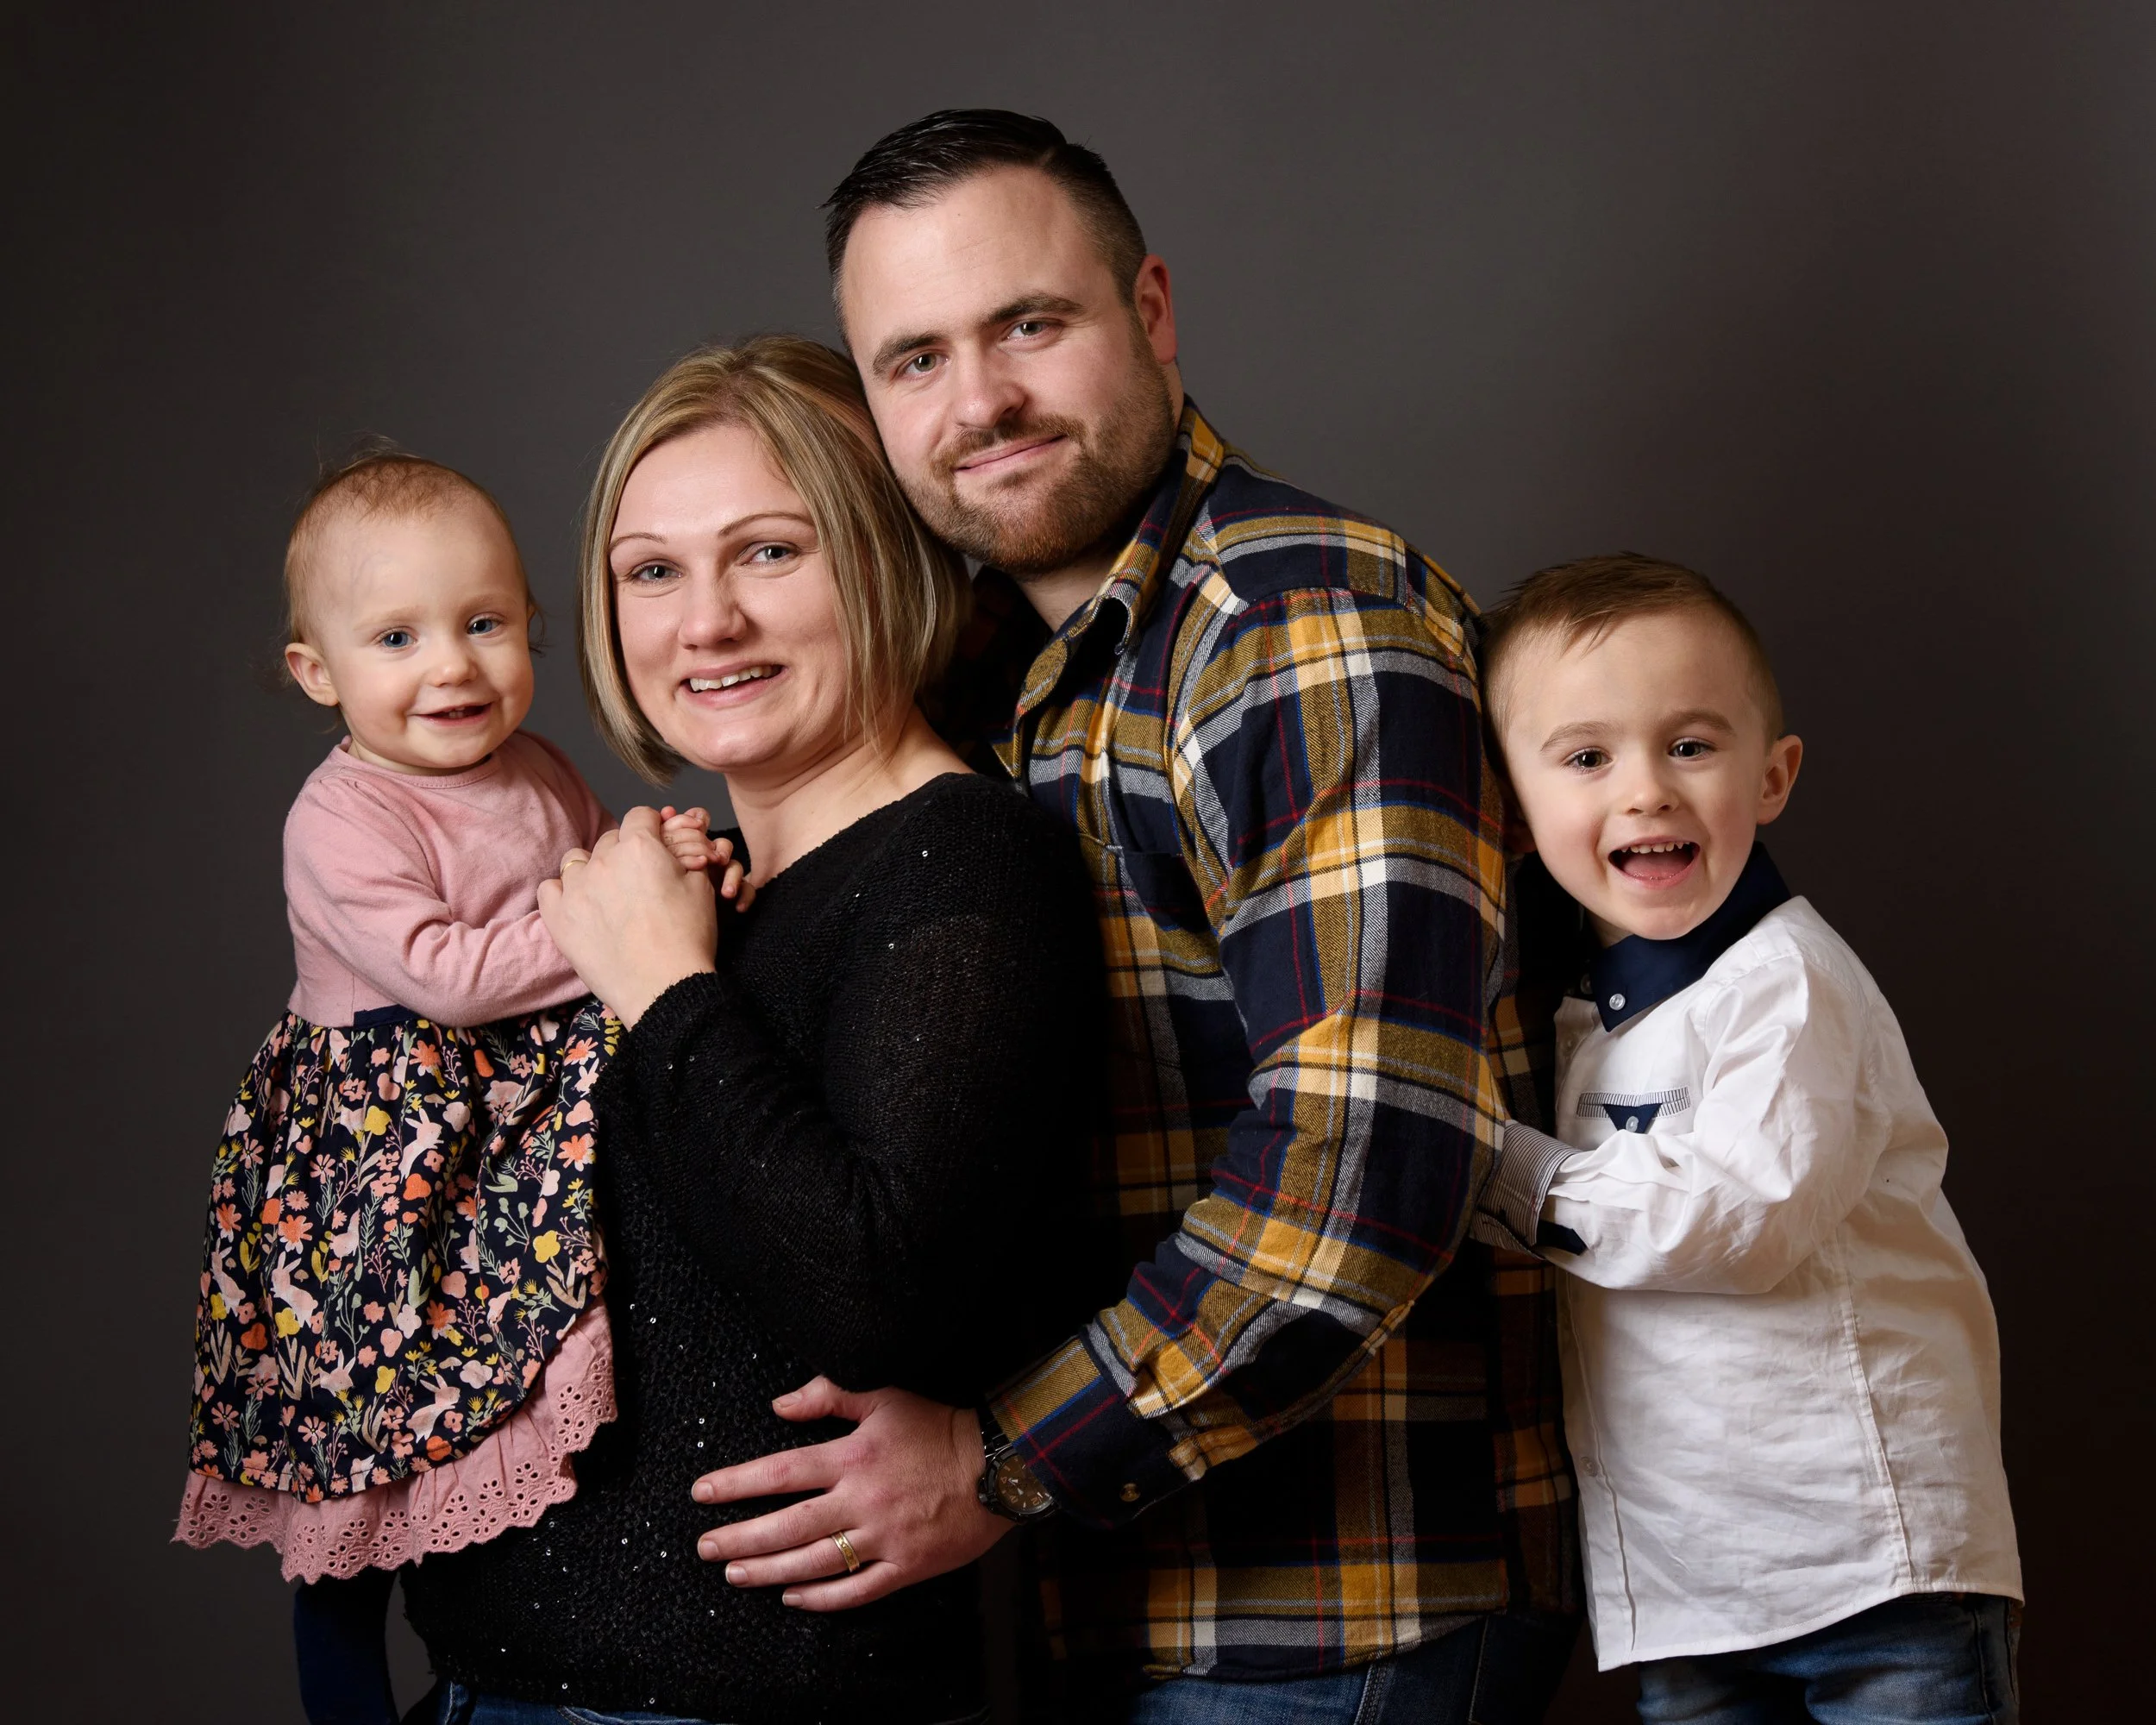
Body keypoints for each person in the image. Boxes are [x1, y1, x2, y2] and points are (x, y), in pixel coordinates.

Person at [691, 111, 1581, 1722]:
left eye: (1031, 324)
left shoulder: (1294, 620)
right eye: (914, 360)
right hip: (1118, 1599)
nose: (982, 403)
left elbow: (1367, 1165)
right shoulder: (997, 687)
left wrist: (1001, 1460)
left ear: (1150, 314)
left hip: (1334, 1619)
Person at [394, 335, 1103, 1724]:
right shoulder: (704, 884)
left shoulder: (960, 862)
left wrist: (664, 985)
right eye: (652, 570)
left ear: (886, 564)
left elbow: (870, 1291)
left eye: (770, 553)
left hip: (735, 1704)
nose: (703, 622)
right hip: (510, 1687)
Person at [175, 448, 737, 1724]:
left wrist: (664, 857)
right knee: (361, 1457)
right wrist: (618, 924)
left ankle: (512, 1649)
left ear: (531, 627)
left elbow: (597, 871)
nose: (453, 665)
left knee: (507, 1407)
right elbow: (451, 977)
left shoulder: (535, 767)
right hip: (373, 1168)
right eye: (397, 636)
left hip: (504, 1133)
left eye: (485, 623)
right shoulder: (342, 819)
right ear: (320, 674)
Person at [1473, 554, 2022, 1723]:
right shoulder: (1575, 1015)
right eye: (1586, 757)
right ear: (1516, 814)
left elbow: (1740, 1220)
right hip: (1689, 1585)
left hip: (1870, 1560)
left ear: (1772, 778)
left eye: (1691, 746)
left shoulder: (1786, 985)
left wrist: (1497, 1171)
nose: (1647, 793)